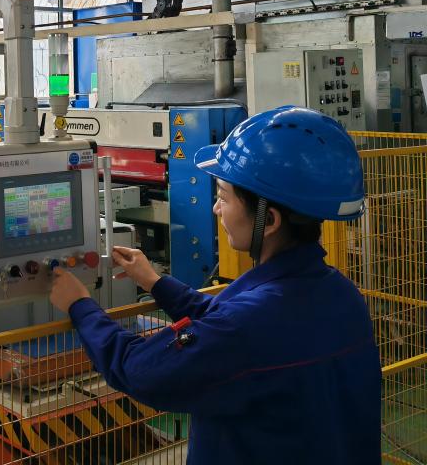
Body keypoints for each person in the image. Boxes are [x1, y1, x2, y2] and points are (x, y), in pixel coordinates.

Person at [50, 106, 381, 464]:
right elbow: (228, 323)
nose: (215, 209)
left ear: (268, 220)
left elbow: (136, 369)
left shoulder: (247, 328)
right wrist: (156, 283)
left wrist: (81, 306)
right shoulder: (340, 294)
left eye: (223, 197)